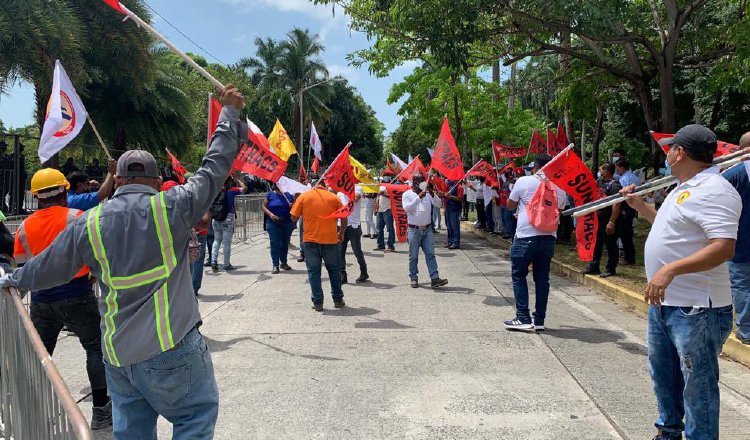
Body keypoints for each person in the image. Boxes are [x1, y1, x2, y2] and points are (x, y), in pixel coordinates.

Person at [0, 85, 245, 439]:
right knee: (194, 419)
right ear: (156, 180)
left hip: (118, 356)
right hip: (172, 347)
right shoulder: (173, 206)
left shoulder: (90, 222)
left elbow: (48, 265)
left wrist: (15, 280)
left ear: (119, 180)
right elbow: (214, 167)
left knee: (131, 432)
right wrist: (229, 114)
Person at [621, 125, 739, 440]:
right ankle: (670, 431)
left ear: (680, 152)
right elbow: (670, 227)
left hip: (697, 308)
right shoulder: (683, 186)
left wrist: (670, 269)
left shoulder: (714, 189)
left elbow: (724, 247)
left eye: (671, 148)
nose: (668, 153)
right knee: (665, 377)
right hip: (666, 304)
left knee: (697, 385)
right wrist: (641, 207)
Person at [13, 168, 111, 430]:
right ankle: (101, 410)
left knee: (41, 357)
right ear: (64, 191)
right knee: (94, 347)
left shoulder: (24, 226)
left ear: (37, 196)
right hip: (77, 294)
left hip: (41, 301)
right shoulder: (76, 217)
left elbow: (22, 268)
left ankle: (34, 412)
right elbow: (95, 255)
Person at [504, 154, 567, 332]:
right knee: (542, 279)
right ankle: (539, 320)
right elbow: (559, 210)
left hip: (525, 235)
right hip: (549, 237)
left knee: (519, 275)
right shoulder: (559, 186)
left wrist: (522, 208)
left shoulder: (523, 181)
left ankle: (522, 317)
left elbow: (509, 205)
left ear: (535, 167)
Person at [290, 178, 346, 311]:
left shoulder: (304, 196)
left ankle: (318, 302)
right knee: (334, 271)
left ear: (315, 185)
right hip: (330, 240)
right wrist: (342, 233)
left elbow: (293, 218)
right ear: (325, 186)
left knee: (314, 272)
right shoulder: (334, 197)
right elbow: (344, 217)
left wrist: (297, 207)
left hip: (310, 241)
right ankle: (338, 299)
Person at [722, 131, 750, 345]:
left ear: (740, 149)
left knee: (742, 287)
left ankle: (747, 331)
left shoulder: (733, 175)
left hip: (741, 243)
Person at [402, 172, 448, 289]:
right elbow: (407, 209)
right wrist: (418, 198)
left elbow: (438, 204)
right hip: (414, 231)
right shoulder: (407, 194)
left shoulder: (428, 194)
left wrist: (432, 194)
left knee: (430, 254)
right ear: (415, 183)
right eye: (421, 180)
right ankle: (413, 277)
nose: (424, 182)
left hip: (427, 230)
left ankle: (434, 278)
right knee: (413, 256)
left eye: (424, 180)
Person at [582, 162, 622, 278]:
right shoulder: (598, 182)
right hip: (597, 220)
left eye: (601, 170)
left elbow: (616, 205)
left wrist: (611, 222)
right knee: (596, 244)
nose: (600, 172)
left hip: (608, 220)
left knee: (610, 245)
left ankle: (610, 269)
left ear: (607, 171)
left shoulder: (615, 186)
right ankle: (594, 266)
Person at [209, 174, 246, 272]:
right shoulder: (232, 191)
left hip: (216, 218)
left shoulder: (215, 191)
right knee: (226, 243)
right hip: (228, 218)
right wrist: (237, 179)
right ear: (229, 181)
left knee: (216, 241)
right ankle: (226, 264)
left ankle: (213, 261)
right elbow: (245, 188)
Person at [262, 183, 295, 274]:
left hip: (287, 222)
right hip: (273, 222)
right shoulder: (270, 195)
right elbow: (263, 206)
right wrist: (271, 214)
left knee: (285, 242)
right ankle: (275, 265)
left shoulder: (289, 195)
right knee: (275, 243)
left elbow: (295, 208)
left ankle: (283, 263)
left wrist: (293, 206)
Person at [339, 184, 369, 284]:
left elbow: (355, 198)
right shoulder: (339, 193)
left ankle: (364, 272)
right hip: (341, 225)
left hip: (354, 226)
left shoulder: (357, 187)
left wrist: (345, 189)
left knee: (357, 251)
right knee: (340, 251)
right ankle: (342, 274)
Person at [616, 158, 640, 265]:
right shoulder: (635, 177)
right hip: (633, 207)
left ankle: (628, 258)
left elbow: (621, 196)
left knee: (625, 234)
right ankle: (629, 256)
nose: (617, 170)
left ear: (622, 167)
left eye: (618, 168)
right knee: (628, 233)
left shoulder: (623, 179)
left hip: (625, 207)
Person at [374, 173, 396, 252]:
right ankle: (381, 245)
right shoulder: (381, 186)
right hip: (380, 210)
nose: (386, 177)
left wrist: (384, 194)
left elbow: (393, 197)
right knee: (379, 228)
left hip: (388, 209)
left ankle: (391, 245)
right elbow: (378, 197)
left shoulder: (392, 186)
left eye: (387, 176)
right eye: (385, 176)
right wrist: (376, 208)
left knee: (390, 228)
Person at [444, 179, 463, 249]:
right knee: (449, 227)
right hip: (448, 208)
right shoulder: (449, 186)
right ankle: (450, 241)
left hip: (455, 209)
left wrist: (451, 197)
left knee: (455, 227)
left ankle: (456, 242)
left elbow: (460, 198)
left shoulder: (459, 187)